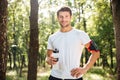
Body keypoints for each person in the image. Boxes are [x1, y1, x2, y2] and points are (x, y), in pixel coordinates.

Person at [46, 6, 100, 80]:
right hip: (54, 77)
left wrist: (85, 69)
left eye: (66, 16)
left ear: (71, 17)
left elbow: (96, 52)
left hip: (74, 77)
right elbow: (48, 57)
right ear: (57, 18)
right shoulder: (52, 37)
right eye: (61, 17)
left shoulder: (80, 34)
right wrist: (48, 60)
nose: (64, 19)